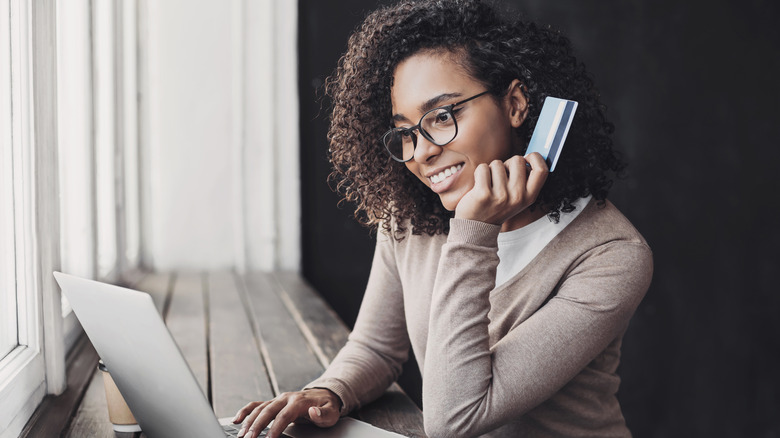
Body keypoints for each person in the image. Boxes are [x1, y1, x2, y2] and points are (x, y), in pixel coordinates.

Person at [234, 0, 653, 437]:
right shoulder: (410, 220)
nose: (423, 151)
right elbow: (377, 348)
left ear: (514, 104)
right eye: (406, 132)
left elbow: (455, 418)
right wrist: (330, 391)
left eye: (442, 116)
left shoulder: (611, 255)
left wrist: (474, 231)